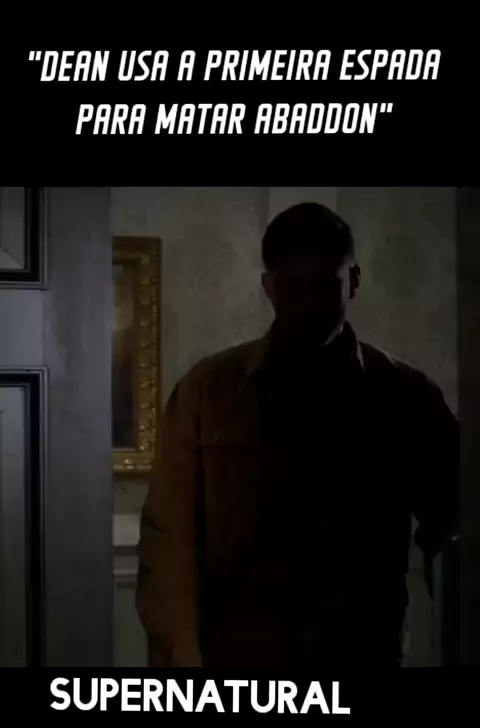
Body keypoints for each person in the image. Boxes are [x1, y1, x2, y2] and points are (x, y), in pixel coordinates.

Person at [136, 202, 459, 668]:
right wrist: (184, 665)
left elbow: (451, 522)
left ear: (353, 281)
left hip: (360, 657)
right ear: (268, 287)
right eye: (292, 288)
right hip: (238, 659)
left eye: (324, 287)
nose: (307, 306)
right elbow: (168, 543)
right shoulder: (207, 391)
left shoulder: (406, 395)